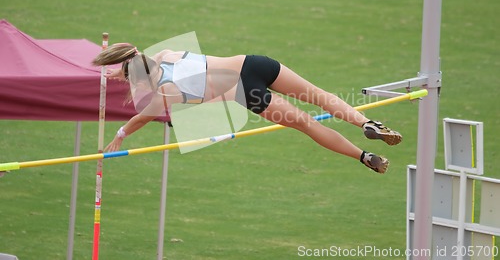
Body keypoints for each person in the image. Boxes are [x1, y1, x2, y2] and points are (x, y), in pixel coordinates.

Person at [92, 43, 402, 174]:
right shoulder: (165, 52)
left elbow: (138, 119)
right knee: (320, 96)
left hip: (245, 92)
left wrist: (120, 134)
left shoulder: (165, 94)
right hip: (254, 64)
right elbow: (132, 52)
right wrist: (117, 63)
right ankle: (366, 122)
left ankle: (364, 156)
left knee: (308, 124)